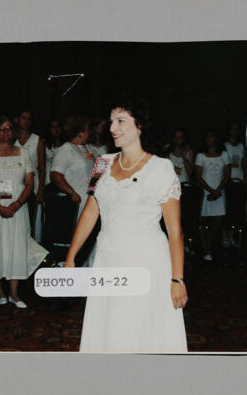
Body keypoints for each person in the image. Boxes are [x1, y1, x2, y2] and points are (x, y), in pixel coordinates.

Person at [64, 97, 188, 353]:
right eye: (111, 122)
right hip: (108, 260)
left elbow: (175, 232)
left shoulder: (162, 168)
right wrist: (71, 257)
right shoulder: (101, 164)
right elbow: (89, 213)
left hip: (148, 263)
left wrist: (177, 279)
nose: (112, 128)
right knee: (110, 329)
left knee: (141, 330)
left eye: (121, 121)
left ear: (139, 126)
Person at [0, 116, 48, 309]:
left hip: (18, 210)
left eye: (9, 128)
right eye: (1, 129)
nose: (5, 132)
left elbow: (29, 183)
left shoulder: (23, 153)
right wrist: (0, 208)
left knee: (17, 250)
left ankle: (15, 294)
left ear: (14, 131)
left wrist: (17, 204)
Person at [195, 129, 232, 261]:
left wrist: (218, 191)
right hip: (205, 193)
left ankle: (207, 248)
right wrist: (211, 191)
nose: (209, 139)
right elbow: (199, 177)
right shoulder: (200, 156)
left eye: (211, 136)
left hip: (219, 194)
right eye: (207, 137)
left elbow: (227, 175)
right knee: (203, 223)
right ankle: (206, 250)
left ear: (216, 138)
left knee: (216, 224)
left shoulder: (224, 155)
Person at [50, 115, 96, 219]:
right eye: (88, 130)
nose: (89, 133)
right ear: (80, 132)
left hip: (90, 200)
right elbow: (55, 175)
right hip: (76, 203)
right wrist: (72, 193)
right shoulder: (66, 149)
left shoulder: (89, 148)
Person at [15, 110, 46, 241]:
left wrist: (40, 191)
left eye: (29, 119)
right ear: (17, 120)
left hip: (32, 184)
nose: (26, 121)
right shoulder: (12, 139)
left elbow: (42, 167)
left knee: (33, 219)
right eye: (23, 118)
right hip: (15, 184)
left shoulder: (37, 140)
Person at [44, 118, 64, 185]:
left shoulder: (67, 145)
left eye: (58, 126)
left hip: (64, 181)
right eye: (53, 127)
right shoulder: (44, 146)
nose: (56, 129)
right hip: (49, 182)